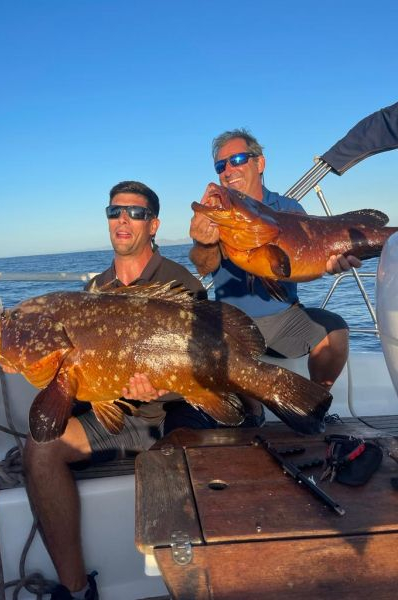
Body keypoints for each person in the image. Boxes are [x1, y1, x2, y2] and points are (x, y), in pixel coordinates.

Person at [23, 181, 205, 600]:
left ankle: (197, 584)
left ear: (153, 224)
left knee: (195, 452)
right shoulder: (92, 291)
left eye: (135, 213)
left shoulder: (181, 284)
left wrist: (158, 391)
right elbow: (87, 382)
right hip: (120, 419)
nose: (123, 219)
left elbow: (196, 366)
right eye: (115, 211)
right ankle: (76, 588)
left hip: (172, 415)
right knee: (40, 447)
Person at [189, 129, 361, 410]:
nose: (228, 170)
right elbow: (203, 265)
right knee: (249, 414)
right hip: (232, 324)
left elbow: (306, 261)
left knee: (336, 331)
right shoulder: (218, 211)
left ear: (260, 163)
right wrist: (204, 242)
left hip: (285, 319)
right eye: (221, 165)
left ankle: (312, 402)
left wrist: (328, 265)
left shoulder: (288, 209)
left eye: (237, 159)